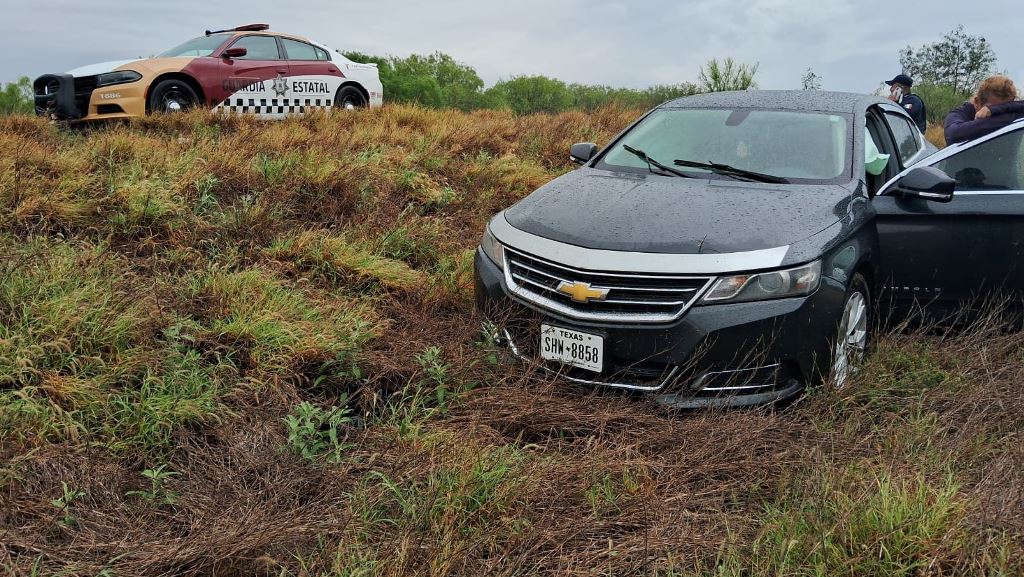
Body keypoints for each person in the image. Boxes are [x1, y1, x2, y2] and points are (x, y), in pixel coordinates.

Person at [943, 75, 1024, 144]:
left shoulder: (1009, 113)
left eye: (1004, 107)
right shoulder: (960, 114)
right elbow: (953, 134)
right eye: (991, 107)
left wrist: (994, 110)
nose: (997, 114)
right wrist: (1011, 115)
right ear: (977, 102)